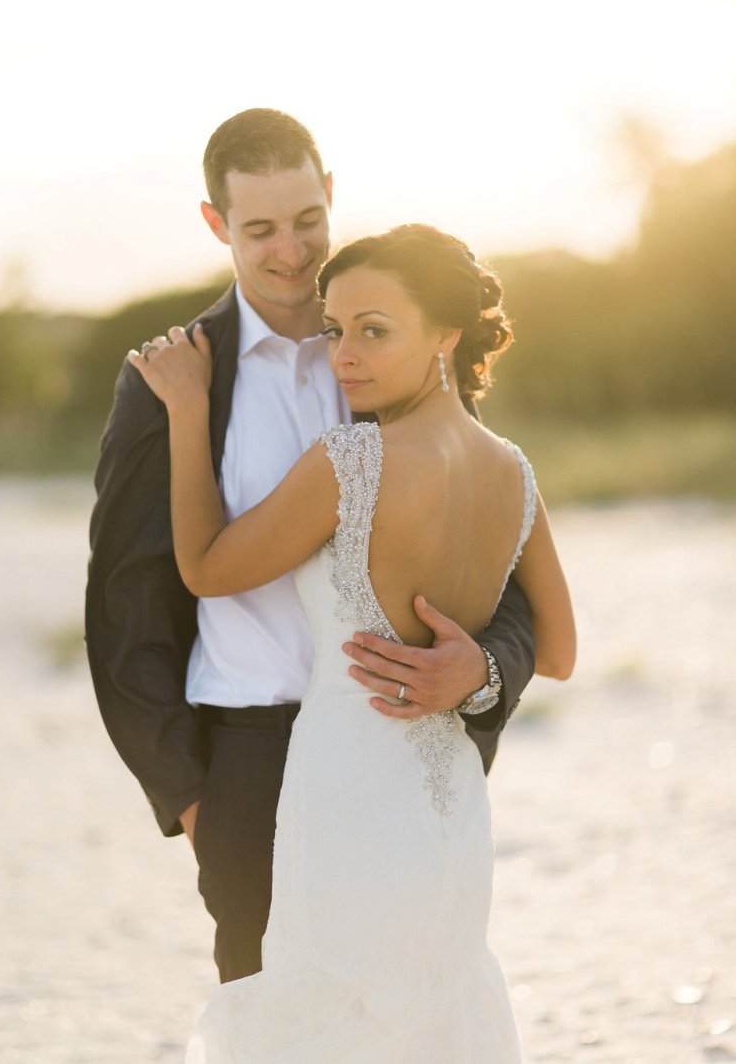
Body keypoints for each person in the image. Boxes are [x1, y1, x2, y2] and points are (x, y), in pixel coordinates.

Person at [85, 109, 537, 986]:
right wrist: (188, 795)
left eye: (306, 221)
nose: (290, 252)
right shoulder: (170, 382)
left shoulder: (405, 359)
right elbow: (125, 601)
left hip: (399, 753)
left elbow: (499, 565)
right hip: (243, 766)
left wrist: (479, 682)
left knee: (406, 1010)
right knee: (269, 1020)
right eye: (259, 230)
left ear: (331, 197)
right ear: (217, 225)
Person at [129, 223, 575, 1062]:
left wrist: (188, 411)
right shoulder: (513, 469)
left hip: (346, 795)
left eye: (375, 330)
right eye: (335, 330)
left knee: (332, 1015)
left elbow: (205, 567)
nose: (344, 355)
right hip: (452, 808)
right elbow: (558, 652)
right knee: (435, 1005)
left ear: (445, 333)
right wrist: (477, 668)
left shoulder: (353, 460)